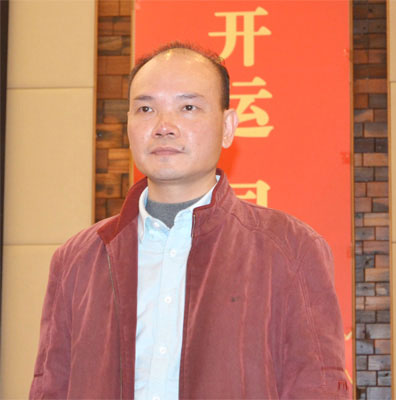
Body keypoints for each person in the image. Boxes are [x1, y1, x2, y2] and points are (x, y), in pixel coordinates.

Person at [29, 42, 350, 399]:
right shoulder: (77, 260)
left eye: (188, 107)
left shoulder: (291, 249)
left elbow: (319, 387)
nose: (164, 127)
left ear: (227, 127)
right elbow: (50, 387)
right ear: (128, 125)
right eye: (146, 109)